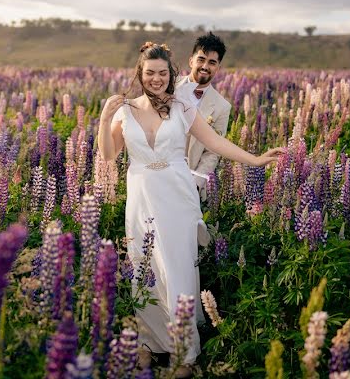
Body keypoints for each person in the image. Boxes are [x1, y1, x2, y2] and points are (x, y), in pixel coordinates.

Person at [97, 42, 284, 375]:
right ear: (140, 73)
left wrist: (255, 160)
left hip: (178, 195)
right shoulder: (125, 110)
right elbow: (109, 155)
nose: (156, 78)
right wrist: (104, 119)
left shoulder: (182, 105)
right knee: (145, 268)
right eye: (150, 72)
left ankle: (184, 352)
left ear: (172, 75)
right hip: (142, 195)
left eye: (162, 73)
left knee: (177, 268)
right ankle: (149, 342)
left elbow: (215, 143)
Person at [175, 32, 231, 203]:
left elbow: (213, 152)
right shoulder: (168, 87)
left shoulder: (222, 107)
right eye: (201, 59)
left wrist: (196, 183)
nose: (205, 66)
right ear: (191, 61)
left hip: (192, 184)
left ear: (218, 68)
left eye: (212, 62)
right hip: (159, 175)